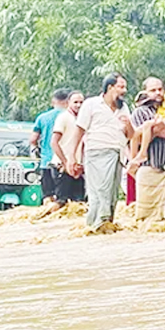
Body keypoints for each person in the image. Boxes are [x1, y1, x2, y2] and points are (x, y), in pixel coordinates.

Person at [66, 73, 134, 233]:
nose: (125, 90)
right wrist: (71, 157)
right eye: (121, 87)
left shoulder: (123, 107)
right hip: (96, 152)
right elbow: (79, 131)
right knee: (99, 189)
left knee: (112, 191)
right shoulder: (91, 104)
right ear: (110, 87)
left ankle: (107, 222)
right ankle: (96, 223)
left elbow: (130, 135)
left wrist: (128, 125)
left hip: (117, 153)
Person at [129, 77, 165, 222]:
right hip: (151, 167)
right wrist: (156, 130)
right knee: (148, 218)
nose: (157, 93)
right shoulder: (140, 112)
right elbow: (137, 138)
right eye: (152, 90)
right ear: (145, 92)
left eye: (160, 89)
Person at [48, 90, 87, 211]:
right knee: (61, 202)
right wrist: (65, 162)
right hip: (62, 166)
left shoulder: (83, 119)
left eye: (81, 102)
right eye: (75, 102)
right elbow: (54, 142)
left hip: (77, 167)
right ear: (68, 103)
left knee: (78, 203)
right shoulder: (63, 118)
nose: (78, 105)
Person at [31, 88, 71, 203]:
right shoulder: (71, 117)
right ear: (68, 101)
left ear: (54, 101)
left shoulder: (42, 118)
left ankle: (47, 216)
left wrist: (36, 152)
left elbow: (33, 139)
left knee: (48, 195)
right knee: (65, 198)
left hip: (46, 162)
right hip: (64, 163)